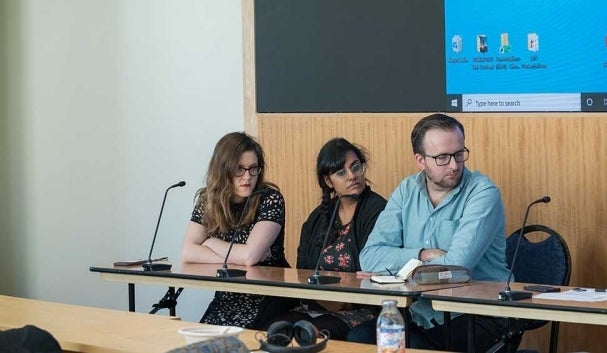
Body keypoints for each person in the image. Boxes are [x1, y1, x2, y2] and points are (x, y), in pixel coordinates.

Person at [359, 113, 513, 352]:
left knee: (409, 348)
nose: (454, 165)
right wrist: (424, 254)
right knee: (357, 338)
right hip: (422, 312)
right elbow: (369, 256)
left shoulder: (483, 193)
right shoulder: (406, 190)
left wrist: (399, 267)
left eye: (459, 154)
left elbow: (456, 268)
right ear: (420, 160)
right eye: (442, 157)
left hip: (478, 313)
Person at [271, 138, 387, 343]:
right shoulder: (319, 217)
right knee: (274, 329)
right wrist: (320, 299)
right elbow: (303, 269)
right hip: (317, 305)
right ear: (328, 181)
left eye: (355, 167)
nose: (352, 176)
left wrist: (341, 301)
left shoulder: (378, 210)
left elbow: (375, 269)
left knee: (310, 336)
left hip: (360, 308)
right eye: (341, 173)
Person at [181, 132, 291, 329]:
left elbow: (249, 257)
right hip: (228, 293)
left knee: (236, 343)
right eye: (239, 169)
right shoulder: (208, 200)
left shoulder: (270, 199)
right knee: (202, 344)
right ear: (223, 170)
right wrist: (237, 256)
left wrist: (211, 243)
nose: (247, 177)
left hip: (268, 293)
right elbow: (188, 252)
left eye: (253, 168)